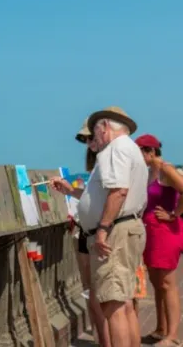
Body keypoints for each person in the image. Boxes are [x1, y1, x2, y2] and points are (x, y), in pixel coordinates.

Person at [52, 107, 147, 347]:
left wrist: (103, 229)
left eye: (93, 132)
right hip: (127, 227)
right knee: (124, 302)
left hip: (115, 232)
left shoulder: (115, 149)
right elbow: (106, 195)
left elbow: (119, 192)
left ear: (104, 127)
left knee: (113, 306)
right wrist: (72, 191)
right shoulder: (130, 148)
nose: (92, 139)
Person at [135, 133, 183, 346]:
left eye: (139, 153)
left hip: (165, 232)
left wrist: (174, 214)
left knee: (167, 283)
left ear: (150, 152)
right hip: (152, 232)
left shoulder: (165, 169)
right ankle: (161, 328)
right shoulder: (148, 172)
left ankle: (172, 336)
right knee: (157, 282)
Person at [67, 118, 112, 347]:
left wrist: (102, 229)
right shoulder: (99, 164)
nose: (88, 143)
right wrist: (70, 191)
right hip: (90, 233)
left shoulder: (110, 161)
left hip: (100, 235)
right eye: (85, 140)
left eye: (90, 138)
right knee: (96, 295)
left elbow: (115, 196)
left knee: (104, 298)